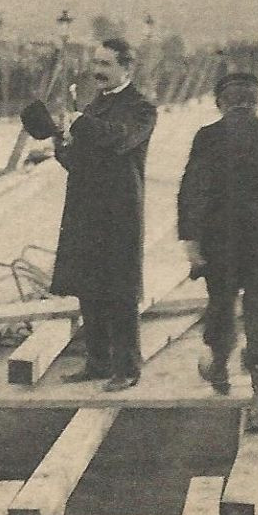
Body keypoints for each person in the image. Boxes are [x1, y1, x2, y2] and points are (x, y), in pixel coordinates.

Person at [177, 71, 258, 431]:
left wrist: (192, 239)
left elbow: (192, 192)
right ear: (256, 101)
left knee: (221, 303)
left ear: (221, 102)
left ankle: (219, 368)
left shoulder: (208, 138)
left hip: (222, 240)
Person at [50, 39, 158, 390]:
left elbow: (121, 140)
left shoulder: (142, 108)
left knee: (121, 290)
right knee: (89, 286)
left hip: (120, 210)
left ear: (127, 68)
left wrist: (79, 125)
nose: (97, 71)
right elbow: (76, 161)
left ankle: (127, 369)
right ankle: (97, 363)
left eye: (106, 64)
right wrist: (60, 142)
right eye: (96, 63)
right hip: (86, 208)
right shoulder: (94, 106)